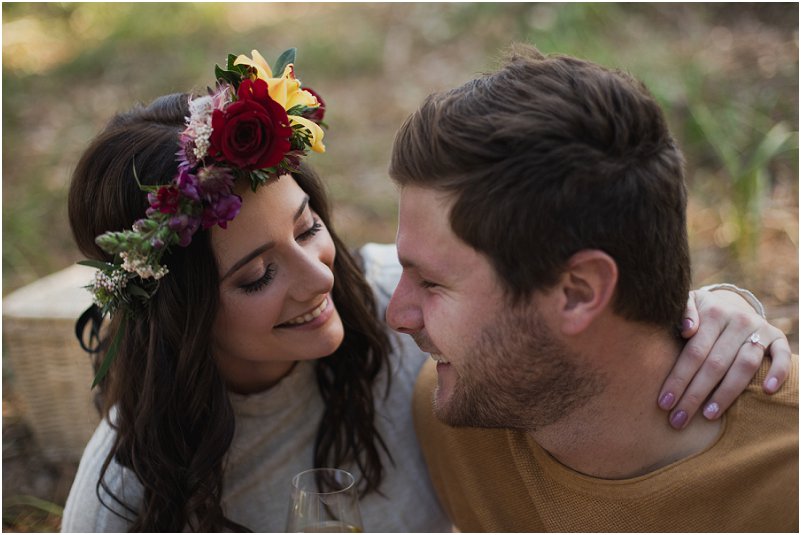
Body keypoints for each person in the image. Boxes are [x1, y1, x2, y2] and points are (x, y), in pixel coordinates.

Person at [61, 46, 791, 532]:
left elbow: (592, 258)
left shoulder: (395, 333)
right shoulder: (454, 403)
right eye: (255, 275)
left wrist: (715, 309)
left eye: (311, 226)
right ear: (184, 315)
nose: (332, 282)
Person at [386, 45, 798, 531]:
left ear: (580, 292)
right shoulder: (456, 414)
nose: (398, 314)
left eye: (431, 282)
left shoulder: (784, 478)